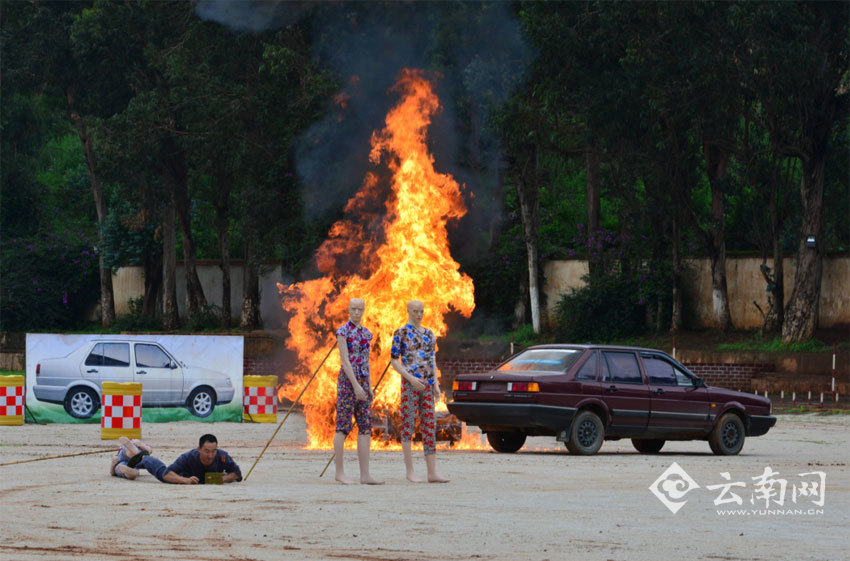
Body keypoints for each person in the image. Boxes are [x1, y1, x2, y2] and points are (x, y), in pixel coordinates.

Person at [390, 300, 450, 483]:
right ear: (408, 311)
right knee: (408, 424)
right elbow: (394, 361)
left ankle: (432, 472)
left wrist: (436, 385)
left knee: (429, 425)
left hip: (427, 384)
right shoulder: (400, 333)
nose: (418, 314)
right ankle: (410, 472)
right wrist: (409, 378)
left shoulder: (430, 334)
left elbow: (432, 359)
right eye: (415, 311)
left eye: (421, 311)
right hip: (410, 384)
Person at [333, 298, 384, 485]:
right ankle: (340, 472)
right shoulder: (343, 332)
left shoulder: (366, 334)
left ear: (363, 310)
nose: (356, 312)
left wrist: (368, 386)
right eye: (353, 309)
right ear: (348, 310)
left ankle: (365, 474)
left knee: (365, 426)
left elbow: (366, 361)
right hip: (348, 381)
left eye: (359, 309)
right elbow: (345, 361)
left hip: (362, 380)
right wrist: (355, 386)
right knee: (343, 425)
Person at [113, 434, 242, 484]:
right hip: (183, 475)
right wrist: (185, 480)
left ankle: (132, 463)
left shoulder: (222, 456)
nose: (210, 455)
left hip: (209, 478)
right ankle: (142, 457)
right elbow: (168, 474)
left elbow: (237, 473)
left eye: (214, 451)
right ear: (199, 449)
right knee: (163, 473)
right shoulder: (188, 457)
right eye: (207, 451)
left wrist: (222, 479)